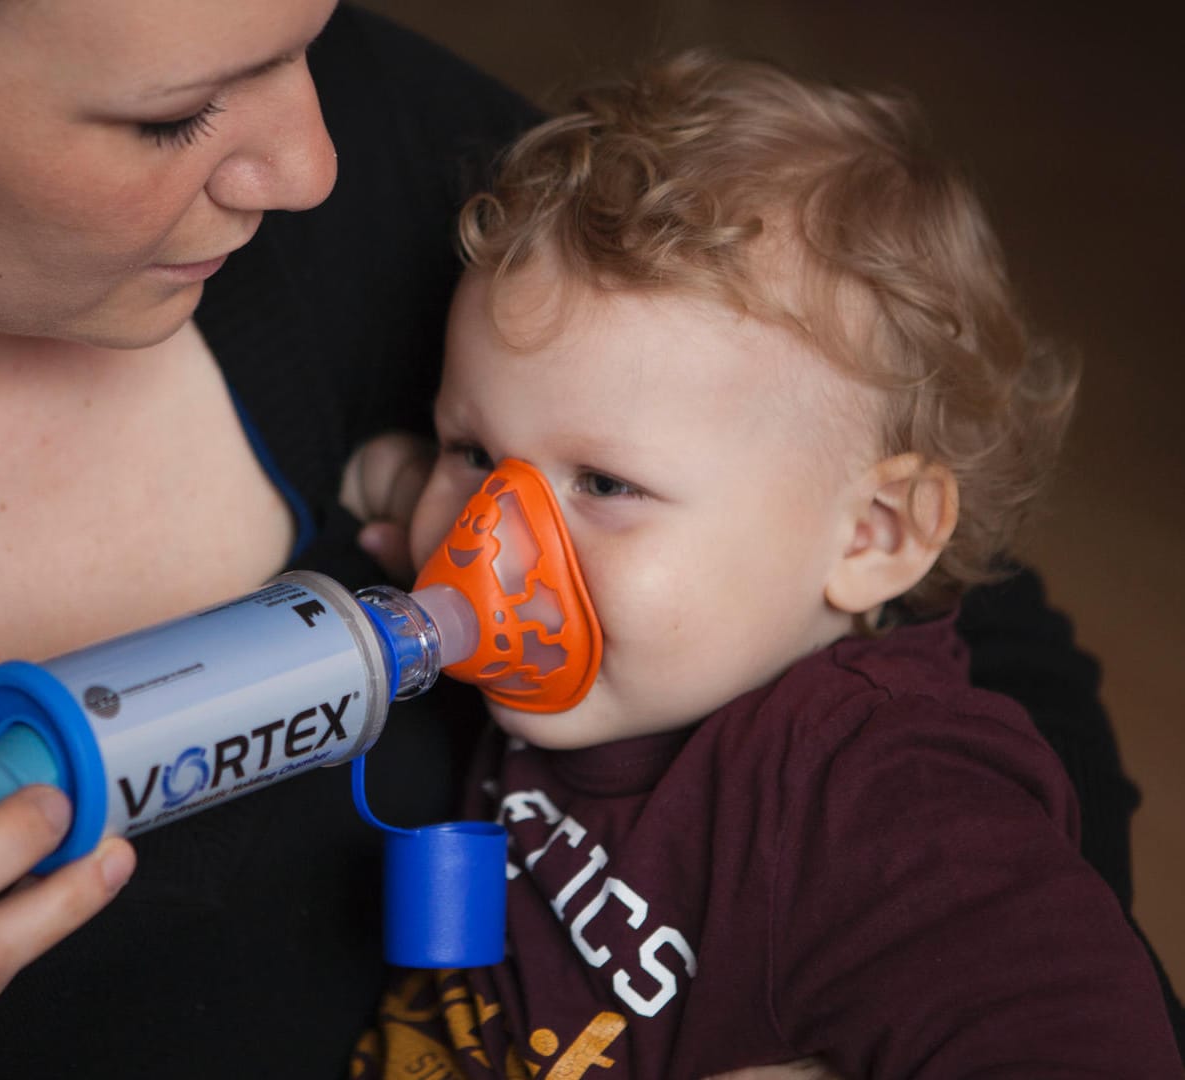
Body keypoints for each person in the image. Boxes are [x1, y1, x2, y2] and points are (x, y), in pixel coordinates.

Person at [0, 2, 1170, 1077]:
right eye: (172, 116)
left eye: (313, 32)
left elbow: (974, 651)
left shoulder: (872, 791)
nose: (314, 167)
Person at [345, 52, 1184, 1078]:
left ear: (873, 534)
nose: (488, 545)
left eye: (604, 486)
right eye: (473, 453)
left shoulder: (887, 802)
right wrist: (401, 482)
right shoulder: (621, 643)